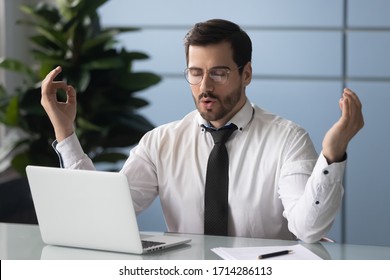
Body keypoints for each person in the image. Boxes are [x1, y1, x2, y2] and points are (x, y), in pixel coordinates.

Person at [40, 19, 364, 243]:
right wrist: (65, 130)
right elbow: (102, 216)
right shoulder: (160, 143)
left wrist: (332, 154)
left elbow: (308, 229)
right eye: (195, 73)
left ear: (246, 73)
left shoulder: (287, 140)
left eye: (219, 73)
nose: (204, 87)